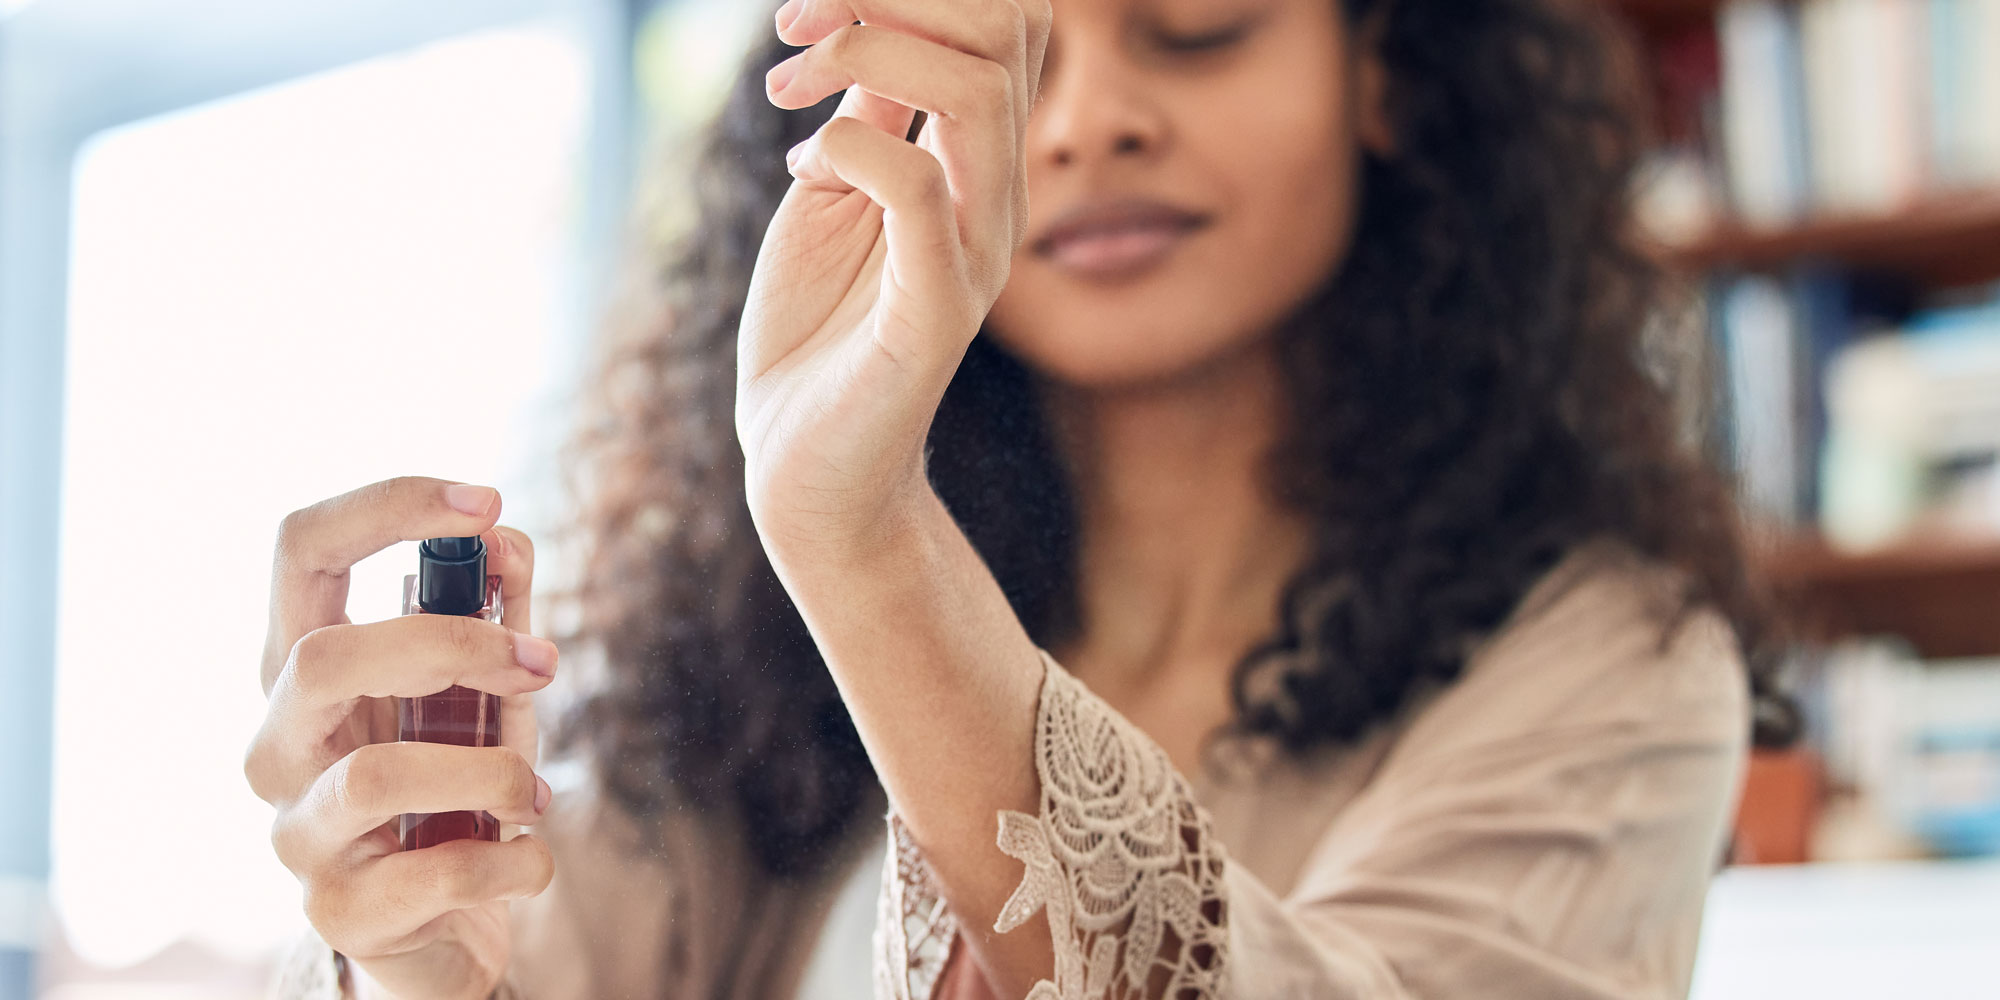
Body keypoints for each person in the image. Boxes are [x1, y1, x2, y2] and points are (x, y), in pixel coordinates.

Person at [247, 0, 1797, 996]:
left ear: (1383, 72)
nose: (1085, 120)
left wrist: (863, 541)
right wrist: (419, 961)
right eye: (1017, 53)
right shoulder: (750, 682)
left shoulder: (1610, 663)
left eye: (1198, 26)